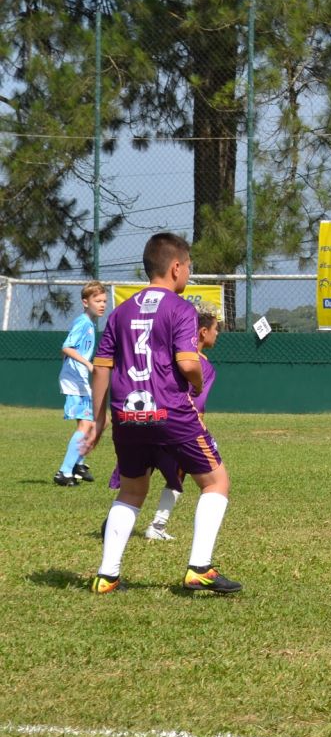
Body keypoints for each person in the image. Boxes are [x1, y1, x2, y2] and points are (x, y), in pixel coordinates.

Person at [82, 233, 241, 594]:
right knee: (216, 482)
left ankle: (107, 576)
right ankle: (199, 568)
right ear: (175, 267)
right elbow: (187, 362)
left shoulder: (121, 312)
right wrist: (198, 383)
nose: (188, 274)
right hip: (170, 411)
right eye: (189, 267)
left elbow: (102, 368)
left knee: (133, 489)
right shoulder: (180, 308)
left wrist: (100, 418)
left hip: (127, 415)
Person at [104, 305, 219, 541]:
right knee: (188, 477)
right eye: (216, 329)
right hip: (177, 428)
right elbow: (196, 402)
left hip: (148, 421)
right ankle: (158, 525)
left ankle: (115, 523)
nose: (218, 334)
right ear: (202, 332)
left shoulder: (164, 356)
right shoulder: (201, 366)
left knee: (134, 483)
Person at [55, 281, 108, 487]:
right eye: (97, 301)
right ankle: (64, 471)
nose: (102, 304)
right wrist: (87, 364)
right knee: (87, 424)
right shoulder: (83, 323)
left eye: (104, 301)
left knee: (96, 422)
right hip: (75, 380)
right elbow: (66, 347)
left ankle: (78, 463)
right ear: (85, 302)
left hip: (78, 378)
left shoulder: (90, 323)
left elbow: (66, 351)